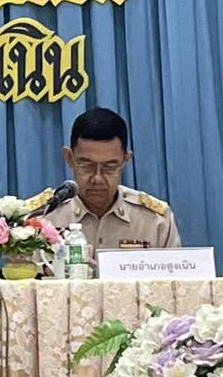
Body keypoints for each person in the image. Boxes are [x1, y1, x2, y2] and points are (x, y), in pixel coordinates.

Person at [41, 107, 180, 267]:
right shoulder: (44, 217)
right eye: (87, 165)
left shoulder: (155, 221)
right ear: (69, 158)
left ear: (125, 161)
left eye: (109, 167)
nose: (98, 178)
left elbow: (176, 280)